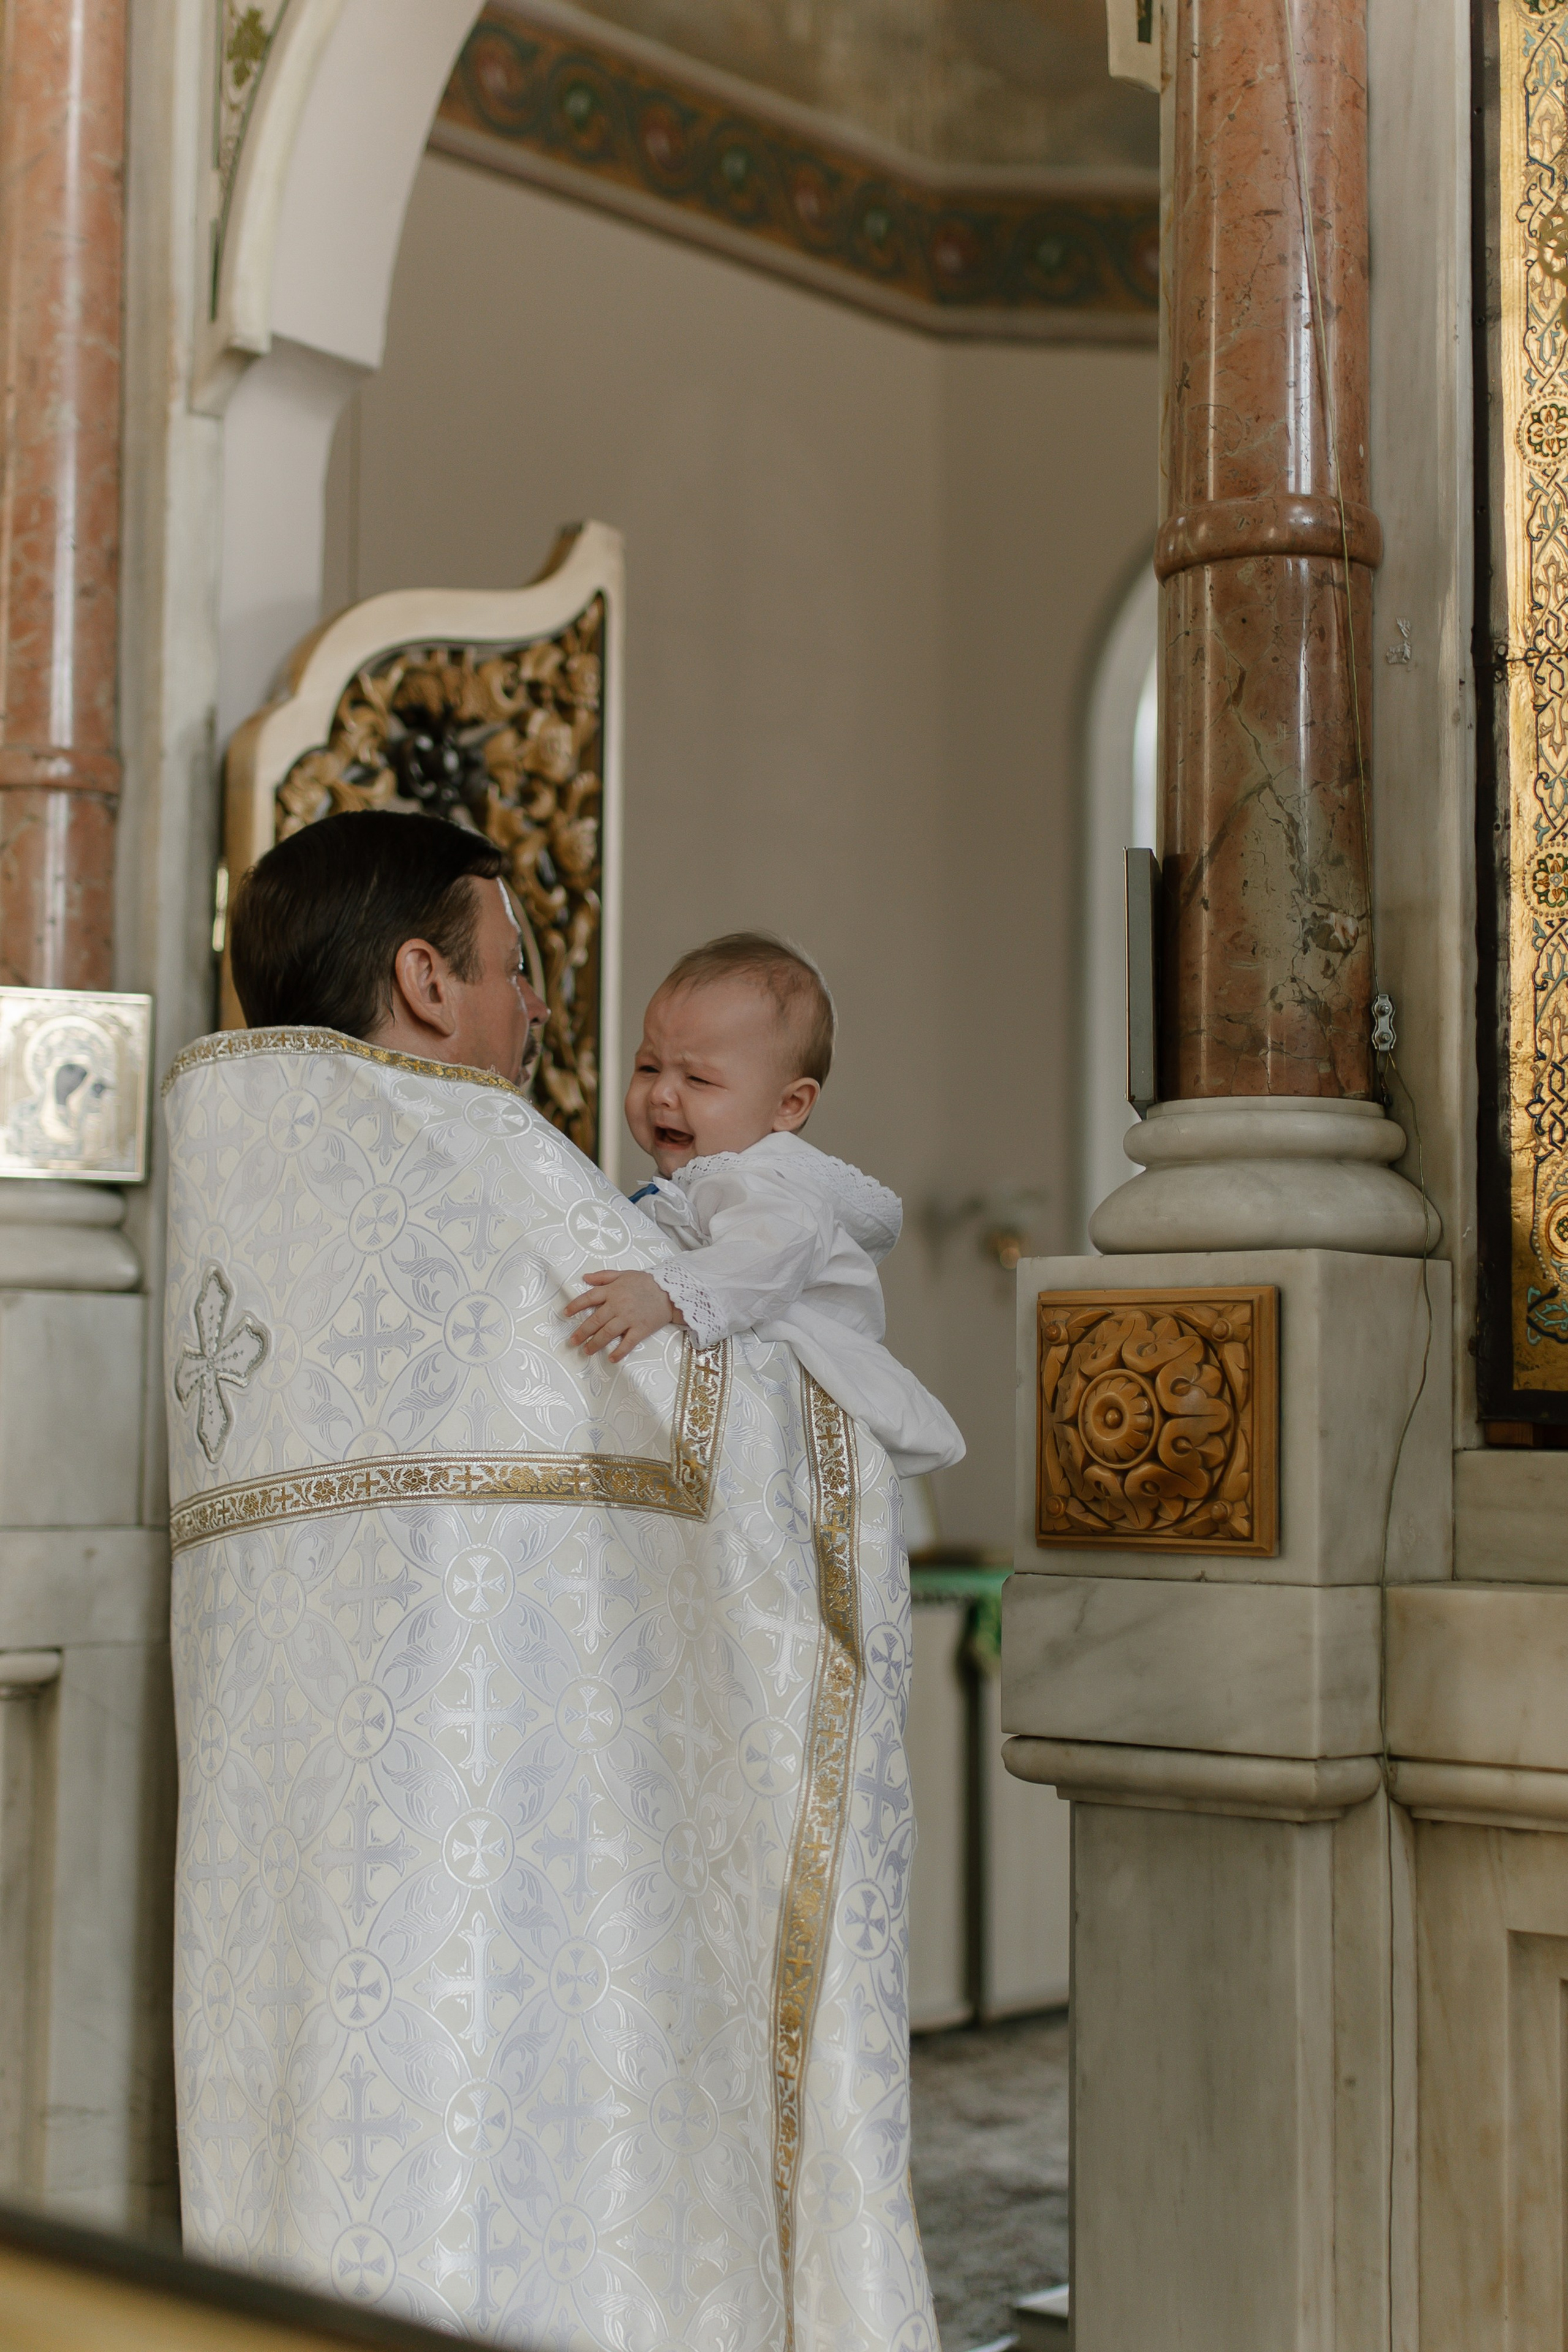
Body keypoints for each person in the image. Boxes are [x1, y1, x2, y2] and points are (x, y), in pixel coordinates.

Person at [165, 811, 938, 2352]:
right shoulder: (489, 1163)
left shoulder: (238, 1180)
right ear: (425, 982)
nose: (534, 1011)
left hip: (293, 1892)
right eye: (514, 966)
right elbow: (740, 1443)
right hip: (519, 1883)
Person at [564, 934, 965, 1479]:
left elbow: (767, 1254)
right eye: (649, 1068)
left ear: (789, 1106)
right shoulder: (704, 1176)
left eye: (698, 1078)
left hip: (803, 1385)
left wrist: (664, 1291)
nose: (661, 1094)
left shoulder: (768, 1183)